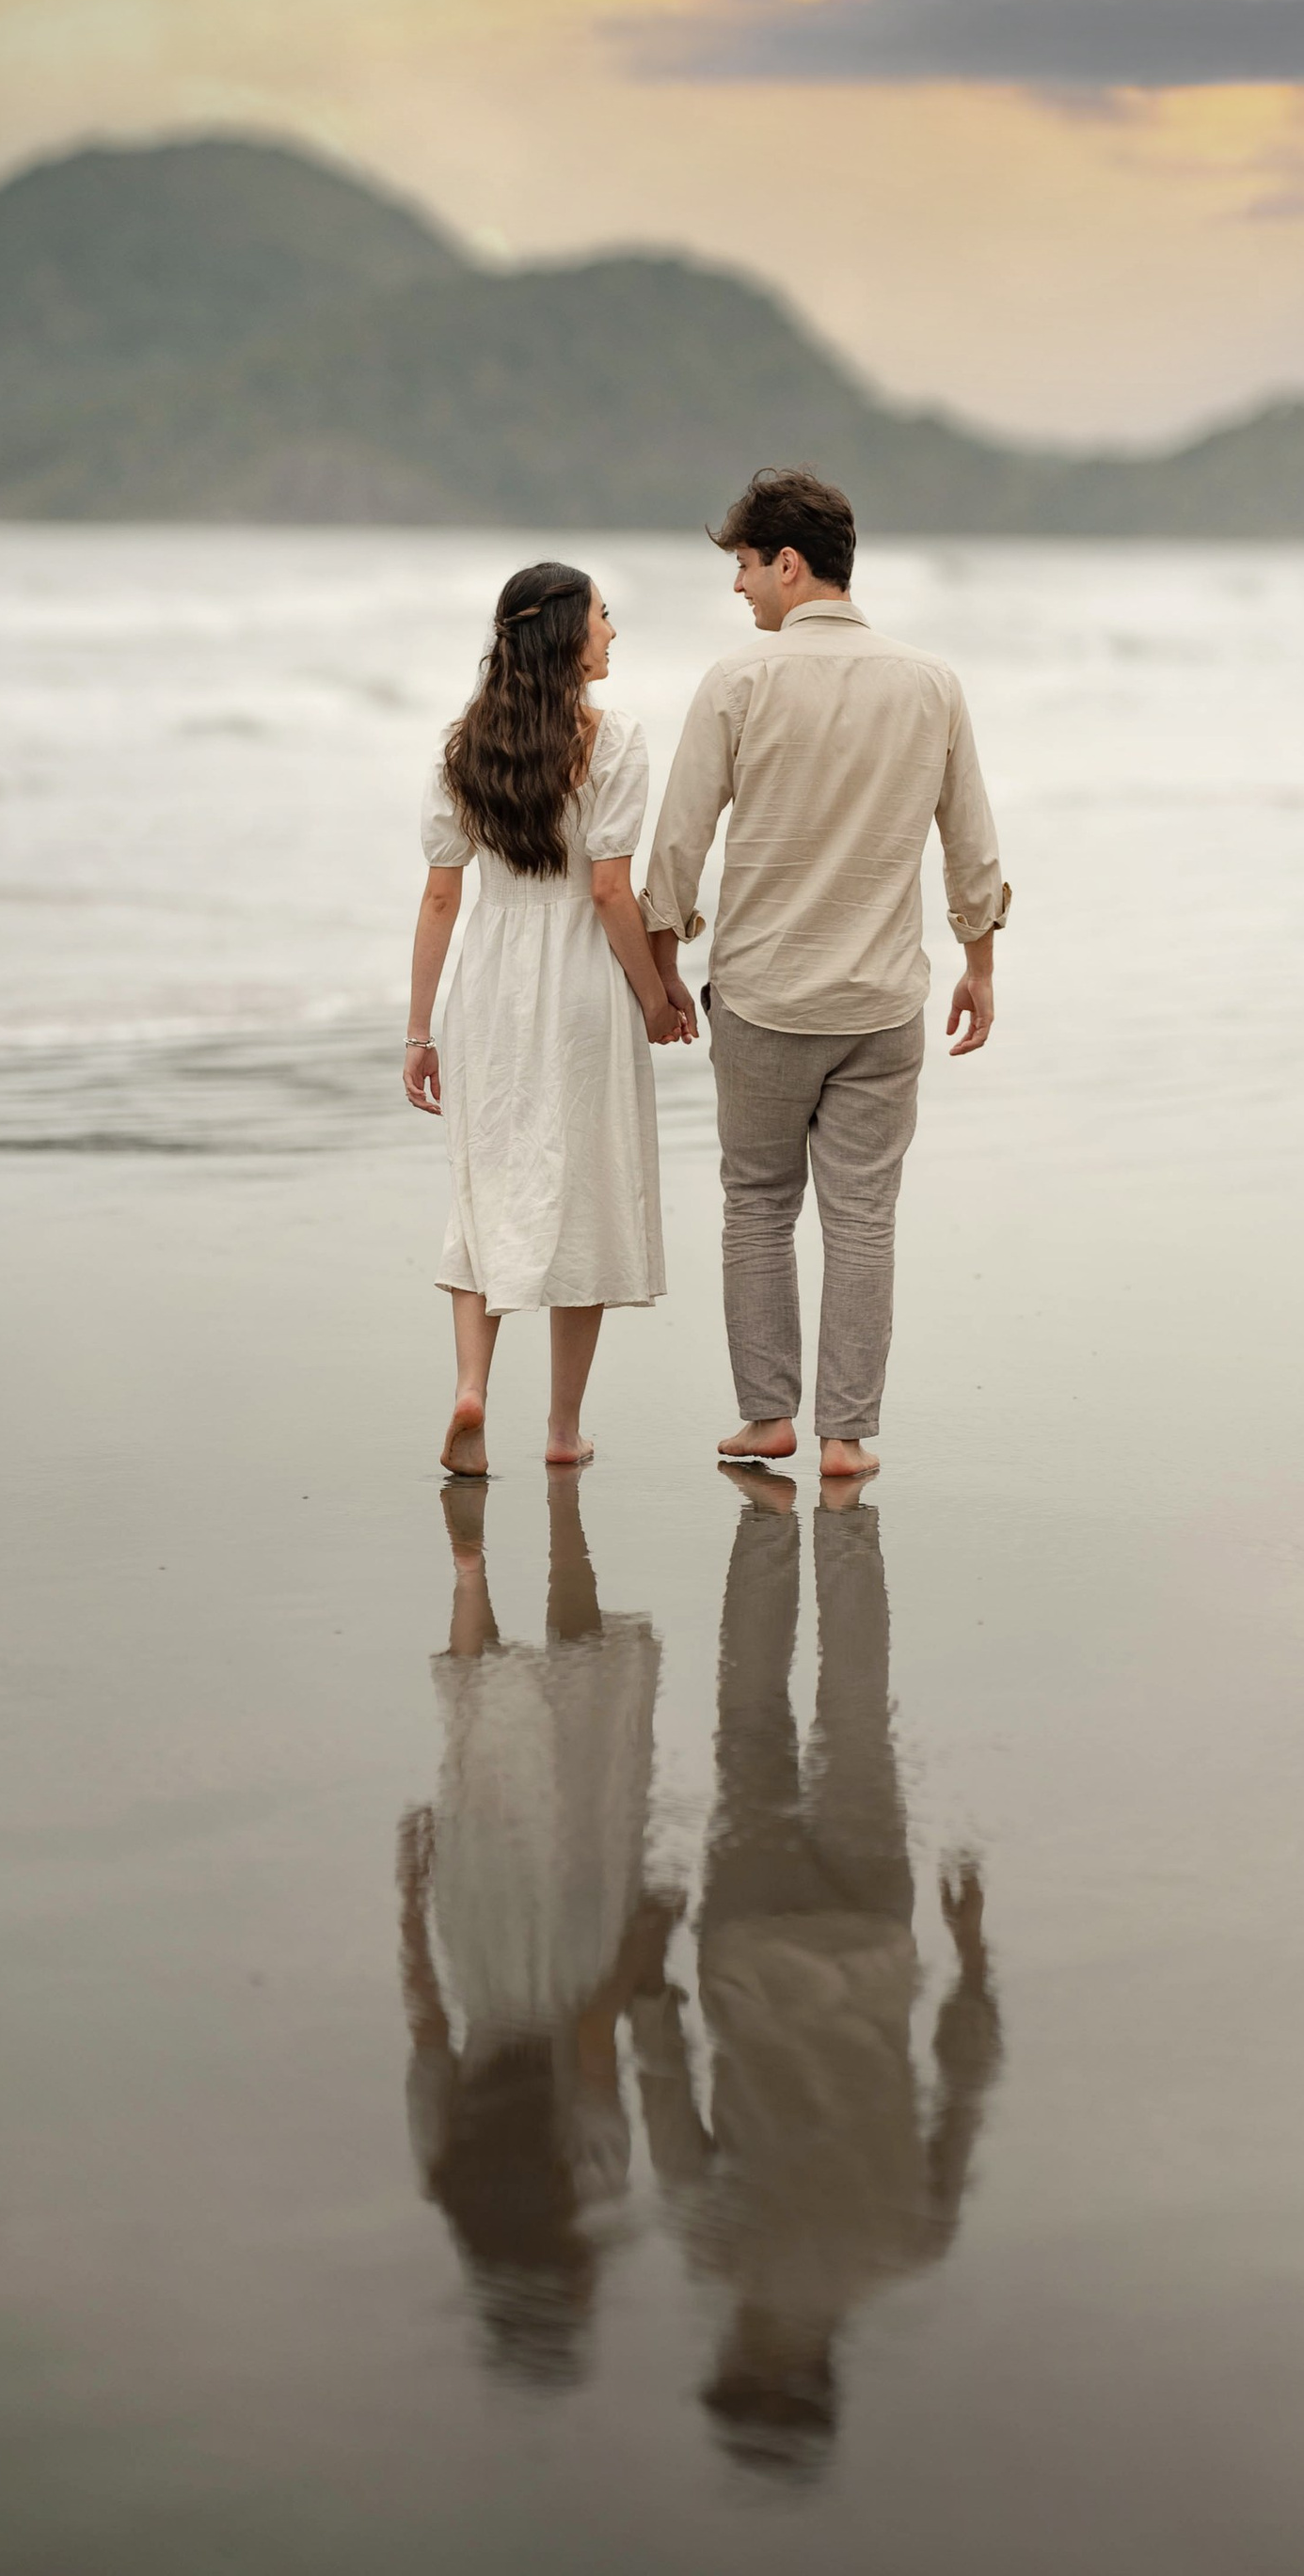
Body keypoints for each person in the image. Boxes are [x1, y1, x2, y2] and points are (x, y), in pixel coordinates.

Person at [627, 1471, 1001, 2477]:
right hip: (747, 1942)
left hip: (873, 1935)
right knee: (748, 1717)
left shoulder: (911, 2246)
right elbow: (663, 2085)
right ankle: (775, 1530)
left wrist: (971, 1950)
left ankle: (827, 1530)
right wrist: (646, 1966)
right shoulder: (723, 2253)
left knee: (855, 1707)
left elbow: (966, 2085)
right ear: (756, 2366)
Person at [639, 468, 1010, 1480]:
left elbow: (678, 841)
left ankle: (767, 1419)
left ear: (789, 564)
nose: (739, 589)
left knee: (757, 1202)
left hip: (762, 998)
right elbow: (970, 843)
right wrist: (978, 962)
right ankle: (845, 1437)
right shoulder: (931, 683)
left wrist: (660, 966)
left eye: (746, 567)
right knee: (862, 1216)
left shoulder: (738, 683)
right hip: (883, 1001)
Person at [406, 561, 692, 1478]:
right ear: (570, 635)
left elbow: (441, 900)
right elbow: (610, 889)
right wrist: (654, 996)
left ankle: (470, 1388)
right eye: (605, 619)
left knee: (484, 1180)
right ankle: (562, 1429)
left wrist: (419, 1032)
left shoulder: (462, 748)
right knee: (583, 1192)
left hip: (489, 981)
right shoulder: (611, 743)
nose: (613, 634)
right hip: (578, 981)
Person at [397, 1474, 672, 2392]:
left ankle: (534, 1587)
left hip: (566, 1958)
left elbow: (595, 2028)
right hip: (474, 1949)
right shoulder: (440, 2168)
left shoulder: (584, 2181)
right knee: (479, 1760)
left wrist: (643, 1937)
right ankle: (470, 1573)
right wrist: (410, 1895)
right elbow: (426, 2026)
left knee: (569, 1766)